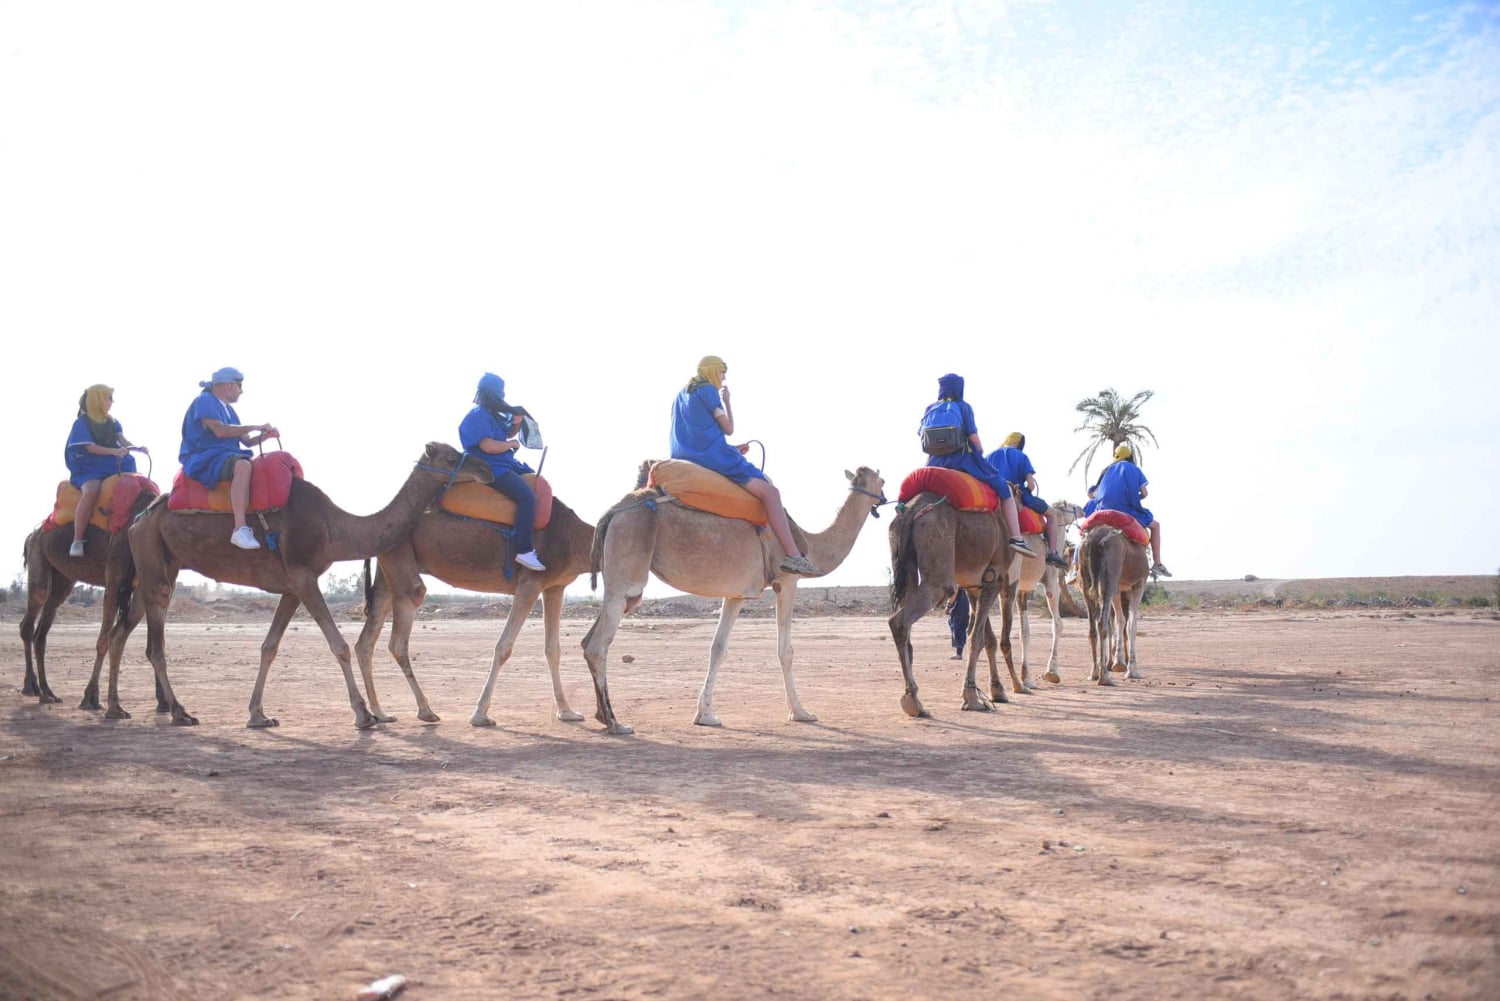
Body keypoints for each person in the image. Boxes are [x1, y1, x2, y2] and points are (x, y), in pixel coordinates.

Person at [670, 355, 820, 576]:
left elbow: (697, 432)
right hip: (711, 458)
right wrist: (728, 401)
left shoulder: (682, 393)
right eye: (722, 372)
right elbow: (728, 428)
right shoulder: (708, 391)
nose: (723, 378)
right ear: (712, 371)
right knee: (770, 493)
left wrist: (730, 448)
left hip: (686, 456)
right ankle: (794, 556)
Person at [921, 374, 1034, 557]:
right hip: (962, 459)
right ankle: (1016, 538)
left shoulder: (929, 409)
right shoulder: (963, 407)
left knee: (916, 489)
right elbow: (974, 438)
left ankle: (902, 511)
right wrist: (979, 451)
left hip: (933, 461)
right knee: (1004, 490)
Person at [179, 367, 279, 550]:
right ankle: (239, 528)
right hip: (205, 456)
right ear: (228, 385)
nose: (242, 391)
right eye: (239, 386)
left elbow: (247, 442)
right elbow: (220, 431)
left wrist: (266, 436)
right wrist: (255, 426)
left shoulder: (230, 411)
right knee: (243, 466)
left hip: (226, 455)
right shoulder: (204, 401)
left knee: (255, 465)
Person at [460, 373, 547, 572]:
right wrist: (513, 444)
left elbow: (506, 433)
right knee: (527, 498)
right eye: (501, 390)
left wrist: (516, 422)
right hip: (490, 467)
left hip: (503, 464)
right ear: (493, 392)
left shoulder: (491, 415)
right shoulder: (478, 415)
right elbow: (488, 445)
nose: (504, 394)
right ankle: (524, 550)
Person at [64, 384, 147, 558]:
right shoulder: (81, 423)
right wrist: (114, 451)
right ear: (98, 399)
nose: (112, 402)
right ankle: (77, 539)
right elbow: (91, 448)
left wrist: (136, 448)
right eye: (109, 398)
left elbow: (123, 440)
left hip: (111, 463)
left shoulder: (113, 422)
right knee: (92, 490)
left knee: (135, 485)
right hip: (88, 467)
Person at [987, 432, 1069, 569]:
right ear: (1020, 444)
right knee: (1052, 513)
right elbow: (1031, 485)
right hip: (1016, 496)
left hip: (992, 495)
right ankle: (1052, 553)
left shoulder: (990, 455)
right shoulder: (1022, 456)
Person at [1093, 443, 1170, 577]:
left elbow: (1094, 494)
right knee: (1156, 526)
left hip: (1102, 511)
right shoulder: (1134, 469)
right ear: (1130, 457)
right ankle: (1157, 564)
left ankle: (1076, 566)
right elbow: (1145, 493)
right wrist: (1134, 497)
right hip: (1126, 510)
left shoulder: (1105, 471)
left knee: (1086, 532)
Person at [946, 588, 970, 660]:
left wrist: (948, 605)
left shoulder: (957, 579)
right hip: (967, 606)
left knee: (956, 627)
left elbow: (954, 592)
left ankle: (959, 654)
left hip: (959, 606)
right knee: (962, 628)